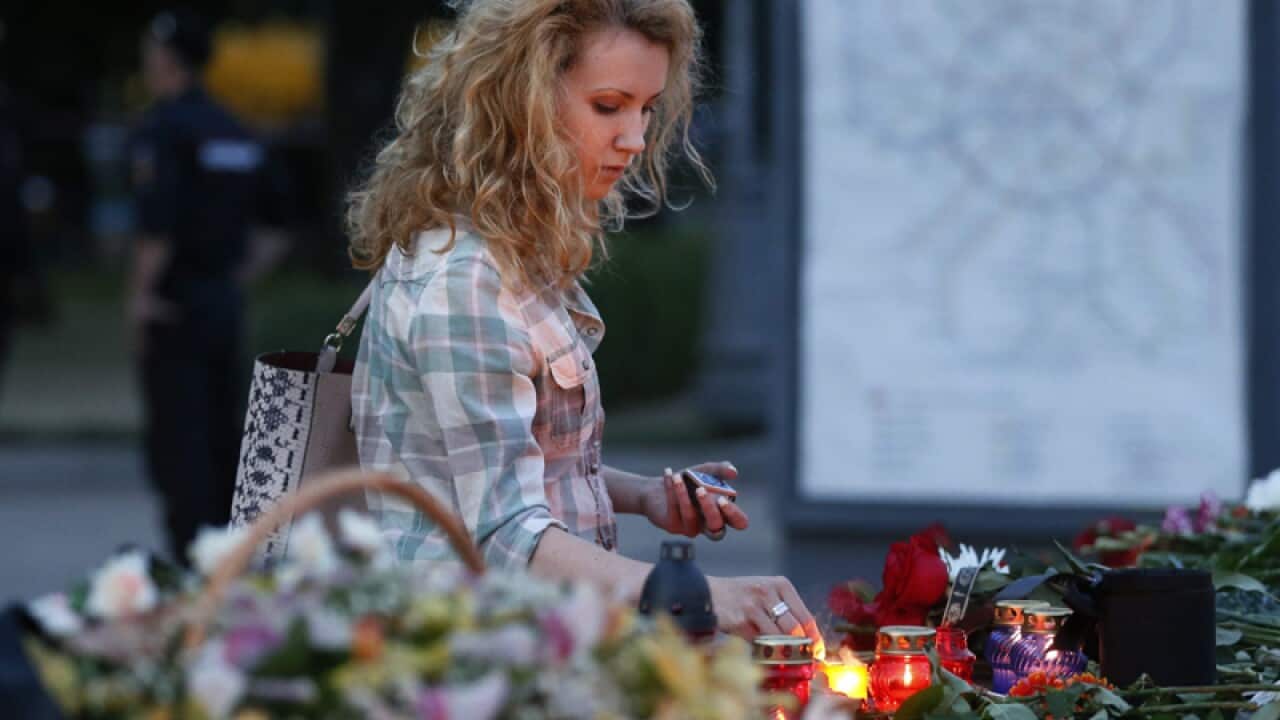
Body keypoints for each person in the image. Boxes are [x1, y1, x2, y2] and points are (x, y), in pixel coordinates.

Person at [348, 0, 820, 644]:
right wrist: (702, 593)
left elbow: (509, 468)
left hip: (525, 643)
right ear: (523, 101)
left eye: (647, 108)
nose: (635, 138)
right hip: (468, 657)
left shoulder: (510, 254)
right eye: (609, 106)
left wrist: (643, 495)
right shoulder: (467, 281)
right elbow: (507, 536)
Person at [128, 10, 289, 561]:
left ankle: (191, 555)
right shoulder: (234, 129)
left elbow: (157, 228)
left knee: (179, 435)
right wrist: (236, 273)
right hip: (223, 301)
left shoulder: (163, 129)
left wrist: (140, 298)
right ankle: (228, 549)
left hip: (174, 304)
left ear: (165, 58)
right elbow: (279, 224)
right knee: (223, 426)